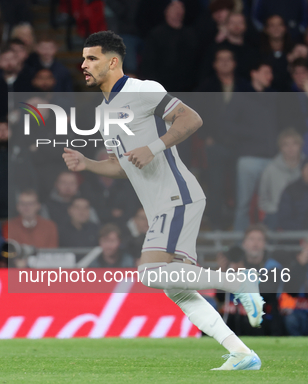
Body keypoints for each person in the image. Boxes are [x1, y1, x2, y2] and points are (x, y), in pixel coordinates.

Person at [62, 31, 264, 370]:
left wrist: (154, 146)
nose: (83, 65)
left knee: (150, 273)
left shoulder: (143, 90)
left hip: (177, 195)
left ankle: (238, 281)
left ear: (113, 61)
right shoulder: (102, 112)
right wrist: (88, 164)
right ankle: (243, 353)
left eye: (91, 58)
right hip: (160, 205)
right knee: (176, 287)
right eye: (83, 58)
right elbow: (122, 166)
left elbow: (191, 119)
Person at [258, 129, 304, 229]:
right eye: (286, 144)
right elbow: (263, 197)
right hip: (276, 212)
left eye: (294, 144)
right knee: (273, 221)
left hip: (303, 211)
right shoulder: (270, 169)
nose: (290, 148)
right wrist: (271, 209)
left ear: (300, 146)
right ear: (280, 148)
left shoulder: (306, 168)